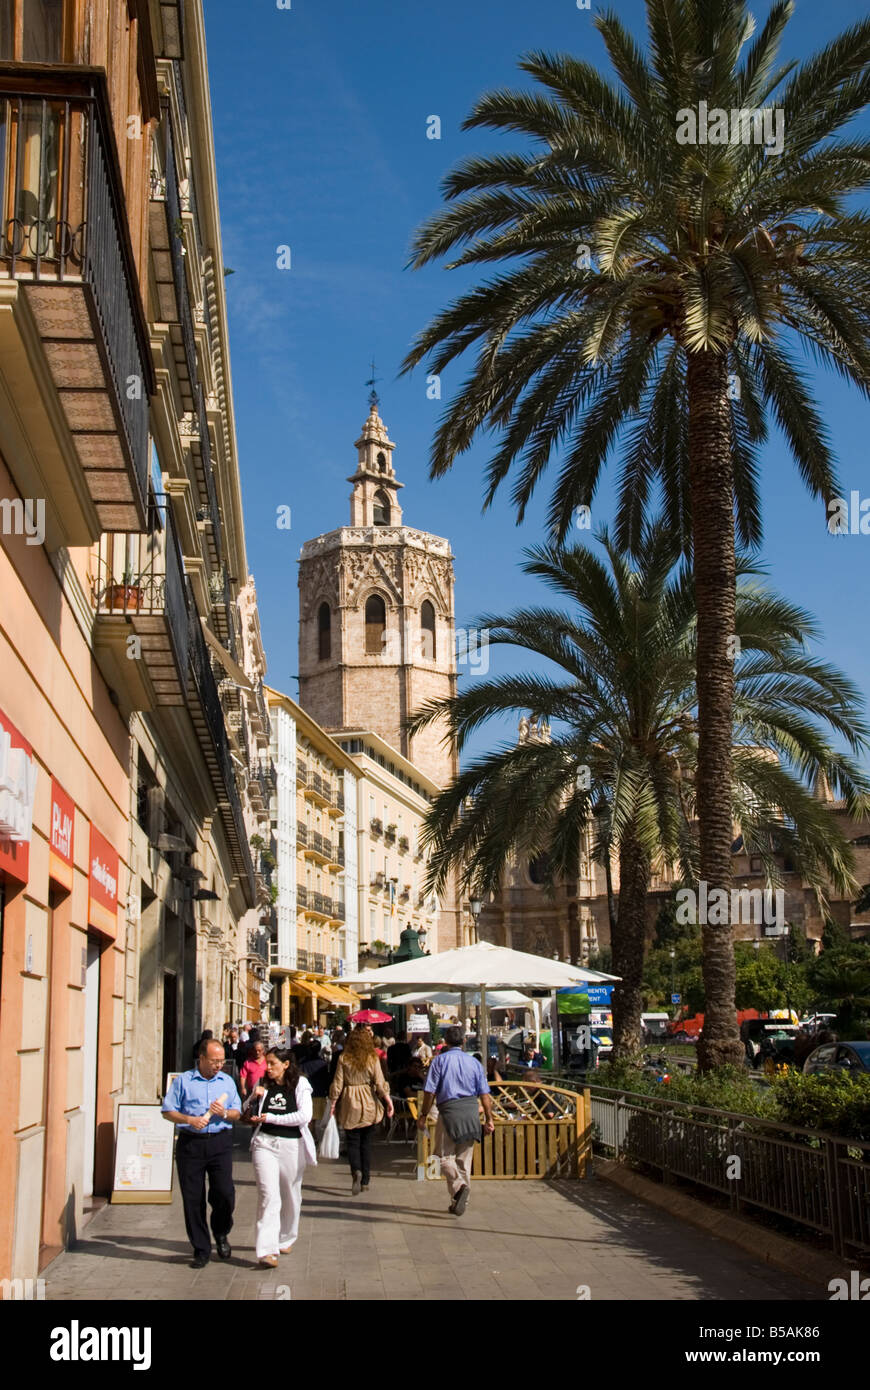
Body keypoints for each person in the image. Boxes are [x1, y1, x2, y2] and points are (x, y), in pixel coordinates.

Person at [161, 1039, 242, 1267]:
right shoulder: (184, 1081)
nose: (219, 1065)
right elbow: (168, 1111)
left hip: (220, 1142)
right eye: (215, 1061)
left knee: (224, 1193)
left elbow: (238, 1112)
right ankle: (201, 1248)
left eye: (222, 1061)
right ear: (202, 1058)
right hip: (191, 1144)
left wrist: (225, 1113)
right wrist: (189, 1119)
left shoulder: (226, 1081)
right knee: (193, 1199)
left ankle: (221, 1231)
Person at [242, 1047, 317, 1267]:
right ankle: (266, 1250)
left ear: (285, 1064)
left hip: (291, 1145)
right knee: (269, 1195)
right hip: (264, 1143)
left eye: (273, 1063)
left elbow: (305, 1115)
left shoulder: (300, 1084)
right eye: (267, 1063)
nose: (268, 1068)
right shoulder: (264, 1083)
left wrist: (273, 1117)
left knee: (291, 1195)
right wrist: (253, 1099)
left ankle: (286, 1238)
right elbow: (247, 1109)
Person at [417, 1026, 494, 1216]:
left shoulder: (439, 1062)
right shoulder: (475, 1064)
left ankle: (459, 1189)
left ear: (445, 1041)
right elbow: (485, 1095)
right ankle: (460, 1201)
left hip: (449, 1111)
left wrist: (424, 1114)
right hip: (471, 1112)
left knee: (441, 1157)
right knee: (463, 1160)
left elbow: (430, 1091)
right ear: (464, 1041)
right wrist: (489, 1119)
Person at [328, 1025, 393, 1194]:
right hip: (368, 1100)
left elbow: (337, 1083)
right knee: (366, 1143)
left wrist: (334, 1102)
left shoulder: (344, 1058)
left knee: (352, 1141)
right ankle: (365, 1180)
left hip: (350, 1100)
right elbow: (379, 1082)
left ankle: (355, 1170)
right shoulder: (372, 1058)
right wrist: (388, 1100)